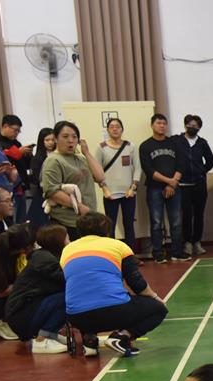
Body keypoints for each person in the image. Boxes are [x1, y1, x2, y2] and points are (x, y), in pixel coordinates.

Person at [61, 212, 167, 356]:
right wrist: (155, 297)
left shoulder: (67, 250)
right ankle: (122, 337)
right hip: (113, 313)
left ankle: (89, 340)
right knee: (158, 309)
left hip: (76, 317)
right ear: (106, 229)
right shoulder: (118, 246)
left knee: (86, 295)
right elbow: (136, 283)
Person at [4, 223, 68, 353]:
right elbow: (66, 280)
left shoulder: (44, 256)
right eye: (67, 238)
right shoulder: (46, 260)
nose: (70, 242)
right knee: (68, 298)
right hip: (22, 315)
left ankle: (50, 335)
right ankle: (43, 339)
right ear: (58, 242)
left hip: (25, 311)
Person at [139, 114, 188, 262]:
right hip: (154, 188)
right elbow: (149, 170)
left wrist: (173, 183)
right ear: (152, 125)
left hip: (174, 188)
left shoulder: (174, 143)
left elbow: (181, 164)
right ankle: (158, 253)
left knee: (176, 221)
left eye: (164, 123)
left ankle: (177, 252)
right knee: (156, 222)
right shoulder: (145, 146)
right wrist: (169, 181)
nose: (161, 126)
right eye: (158, 123)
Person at [97, 118, 140, 250]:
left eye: (118, 126)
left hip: (129, 193)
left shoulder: (130, 146)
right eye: (112, 127)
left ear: (122, 129)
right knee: (110, 226)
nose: (115, 129)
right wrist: (104, 188)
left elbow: (138, 168)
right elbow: (96, 170)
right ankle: (112, 254)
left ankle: (130, 255)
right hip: (110, 194)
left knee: (129, 225)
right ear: (108, 130)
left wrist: (133, 187)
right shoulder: (101, 147)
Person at [177, 114, 213, 256]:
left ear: (199, 128)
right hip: (183, 184)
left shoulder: (202, 142)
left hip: (199, 184)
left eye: (196, 126)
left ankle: (197, 241)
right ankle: (187, 242)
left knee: (199, 214)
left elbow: (210, 160)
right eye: (190, 125)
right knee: (186, 215)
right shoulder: (177, 141)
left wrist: (201, 171)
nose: (193, 128)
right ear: (185, 125)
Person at [0, 115, 34, 222]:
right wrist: (18, 152)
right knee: (10, 219)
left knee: (21, 218)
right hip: (6, 187)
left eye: (19, 131)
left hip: (20, 185)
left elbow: (25, 165)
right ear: (5, 126)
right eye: (15, 130)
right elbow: (2, 161)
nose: (17, 133)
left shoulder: (17, 143)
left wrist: (27, 155)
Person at [26, 127, 55, 228]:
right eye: (47, 140)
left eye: (53, 139)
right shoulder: (37, 158)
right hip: (43, 193)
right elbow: (36, 178)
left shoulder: (59, 155)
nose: (51, 142)